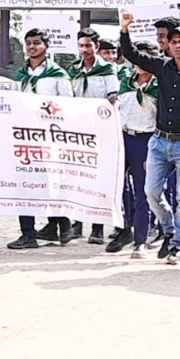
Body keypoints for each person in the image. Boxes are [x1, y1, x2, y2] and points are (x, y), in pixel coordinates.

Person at [119, 11, 180, 265]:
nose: (177, 46)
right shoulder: (162, 67)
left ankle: (177, 244)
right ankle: (169, 227)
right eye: (172, 42)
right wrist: (125, 29)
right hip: (160, 142)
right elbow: (132, 54)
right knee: (151, 192)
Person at [4, 29, 75, 249]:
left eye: (37, 43)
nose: (32, 47)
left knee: (52, 183)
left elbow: (68, 105)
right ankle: (28, 233)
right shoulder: (21, 75)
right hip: (26, 137)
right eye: (29, 43)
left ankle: (62, 226)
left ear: (46, 45)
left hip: (51, 137)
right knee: (25, 182)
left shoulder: (58, 74)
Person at [70, 28, 122, 244]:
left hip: (100, 132)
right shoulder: (73, 70)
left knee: (97, 179)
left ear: (96, 47)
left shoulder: (107, 69)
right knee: (76, 177)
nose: (85, 50)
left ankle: (97, 228)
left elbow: (113, 97)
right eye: (81, 46)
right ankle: (76, 224)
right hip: (77, 131)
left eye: (89, 46)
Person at [108, 45, 159, 257]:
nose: (139, 64)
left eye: (145, 59)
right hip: (124, 138)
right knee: (118, 187)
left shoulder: (159, 87)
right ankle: (124, 228)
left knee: (142, 192)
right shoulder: (126, 84)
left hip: (146, 140)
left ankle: (141, 239)